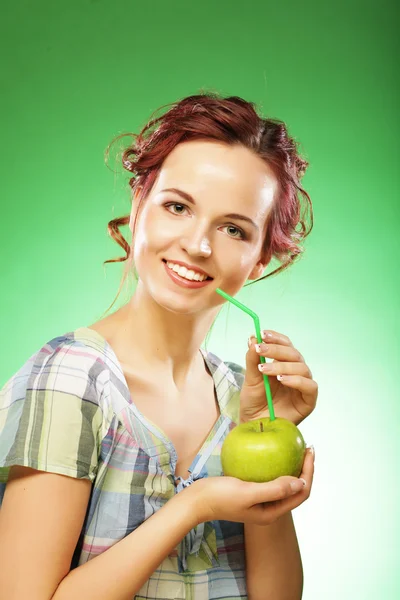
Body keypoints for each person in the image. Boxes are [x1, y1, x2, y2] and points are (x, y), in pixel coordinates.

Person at [0, 92, 318, 600]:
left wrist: (264, 433)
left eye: (234, 229)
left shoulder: (241, 393)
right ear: (138, 205)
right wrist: (194, 507)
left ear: (260, 260)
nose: (198, 245)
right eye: (177, 206)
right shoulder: (72, 378)